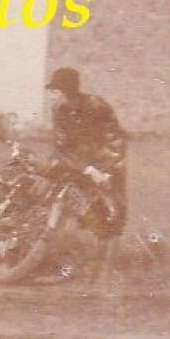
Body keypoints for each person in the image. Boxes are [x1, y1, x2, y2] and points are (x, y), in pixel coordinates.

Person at [45, 66, 127, 237]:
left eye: (55, 90)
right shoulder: (58, 109)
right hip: (75, 160)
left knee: (113, 213)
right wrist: (86, 169)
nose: (52, 95)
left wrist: (107, 172)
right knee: (51, 191)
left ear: (67, 91)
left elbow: (114, 140)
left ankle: (106, 251)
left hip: (104, 159)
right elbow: (60, 146)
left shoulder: (97, 106)